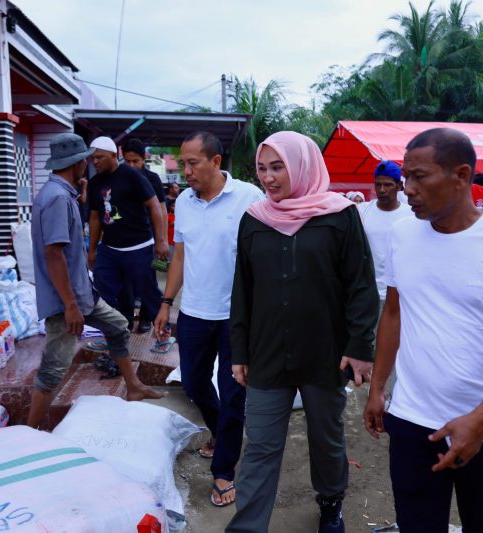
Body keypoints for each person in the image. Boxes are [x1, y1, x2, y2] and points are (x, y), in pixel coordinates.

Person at [363, 128, 483, 532]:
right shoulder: (402, 234)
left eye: (418, 177)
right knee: (417, 524)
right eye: (404, 177)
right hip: (412, 419)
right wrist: (378, 388)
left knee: (480, 522)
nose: (406, 189)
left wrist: (480, 420)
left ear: (461, 176)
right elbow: (393, 313)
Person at [226, 131, 379, 533]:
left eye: (278, 167)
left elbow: (361, 285)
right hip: (265, 353)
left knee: (326, 439)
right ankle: (247, 526)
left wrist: (361, 346)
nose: (269, 178)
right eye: (263, 168)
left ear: (302, 165)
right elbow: (243, 288)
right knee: (259, 444)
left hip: (324, 352)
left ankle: (331, 504)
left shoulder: (340, 215)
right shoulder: (254, 219)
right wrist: (238, 351)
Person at [153, 131, 264, 508]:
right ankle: (221, 431)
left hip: (237, 316)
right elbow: (180, 257)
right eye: (182, 163)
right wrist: (167, 302)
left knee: (234, 393)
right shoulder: (184, 201)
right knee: (196, 384)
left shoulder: (250, 198)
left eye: (192, 163)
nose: (185, 171)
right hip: (195, 313)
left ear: (216, 162)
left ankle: (223, 471)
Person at [27, 133, 162, 429]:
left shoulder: (62, 192)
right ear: (76, 163)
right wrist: (70, 306)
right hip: (66, 301)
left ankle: (134, 386)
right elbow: (53, 254)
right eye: (86, 160)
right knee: (54, 367)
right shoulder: (56, 198)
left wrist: (83, 191)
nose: (90, 164)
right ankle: (30, 430)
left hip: (81, 293)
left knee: (117, 326)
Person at [87, 136, 168, 333]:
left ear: (114, 155)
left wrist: (161, 240)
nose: (95, 162)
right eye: (92, 158)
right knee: (107, 289)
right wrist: (92, 250)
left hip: (138, 247)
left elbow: (155, 206)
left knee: (148, 293)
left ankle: (164, 332)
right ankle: (120, 331)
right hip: (110, 248)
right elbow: (95, 217)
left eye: (100, 157)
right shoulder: (94, 183)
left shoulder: (131, 176)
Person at [120, 138, 168, 333]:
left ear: (143, 159)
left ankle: (148, 318)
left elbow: (162, 210)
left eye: (135, 162)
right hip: (125, 240)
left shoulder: (152, 179)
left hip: (147, 239)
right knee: (125, 283)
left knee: (147, 280)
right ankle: (126, 321)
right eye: (127, 161)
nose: (131, 166)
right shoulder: (118, 178)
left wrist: (161, 240)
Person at [357, 161, 413, 306]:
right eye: (378, 184)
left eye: (387, 185)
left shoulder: (411, 215)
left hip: (401, 295)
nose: (381, 190)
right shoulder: (362, 211)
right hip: (369, 294)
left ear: (399, 186)